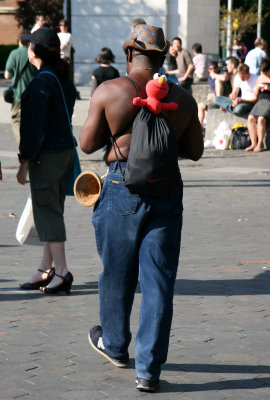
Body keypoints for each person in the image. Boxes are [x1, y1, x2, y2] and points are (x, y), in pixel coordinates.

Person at [79, 24, 203, 392]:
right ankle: (148, 371)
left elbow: (86, 144)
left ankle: (115, 345)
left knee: (116, 273)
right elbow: (195, 150)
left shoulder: (110, 90)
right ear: (163, 56)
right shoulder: (183, 99)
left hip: (121, 187)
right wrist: (162, 136)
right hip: (166, 191)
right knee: (158, 282)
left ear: (130, 53)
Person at [16, 27, 76, 295]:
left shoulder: (42, 82)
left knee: (47, 211)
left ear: (35, 51)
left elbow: (33, 128)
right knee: (53, 208)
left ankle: (62, 271)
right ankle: (45, 268)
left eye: (30, 45)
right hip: (64, 152)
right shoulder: (61, 78)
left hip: (47, 156)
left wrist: (24, 162)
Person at [4, 30, 37, 144]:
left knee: (17, 120)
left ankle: (23, 145)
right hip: (33, 93)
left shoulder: (14, 53)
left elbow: (7, 75)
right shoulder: (34, 53)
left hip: (18, 93)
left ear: (20, 41)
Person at [246, 57, 270, 152]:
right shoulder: (260, 78)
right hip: (261, 101)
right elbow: (255, 95)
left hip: (269, 101)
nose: (263, 74)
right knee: (251, 118)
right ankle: (253, 143)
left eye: (265, 72)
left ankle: (260, 144)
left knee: (261, 119)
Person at [198, 61, 231, 127]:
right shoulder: (210, 79)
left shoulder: (222, 73)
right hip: (220, 95)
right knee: (209, 97)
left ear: (218, 68)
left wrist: (214, 75)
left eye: (214, 68)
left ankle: (199, 126)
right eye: (211, 69)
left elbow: (224, 78)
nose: (213, 70)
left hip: (227, 97)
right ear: (208, 70)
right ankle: (204, 124)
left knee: (217, 80)